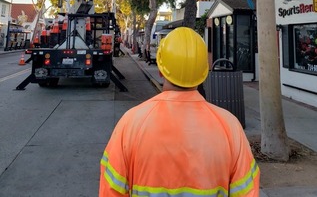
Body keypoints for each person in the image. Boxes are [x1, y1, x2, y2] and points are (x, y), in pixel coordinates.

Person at [99, 27, 260, 197]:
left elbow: (111, 190)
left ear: (161, 70)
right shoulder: (230, 126)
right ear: (204, 72)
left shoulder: (131, 123)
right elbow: (247, 192)